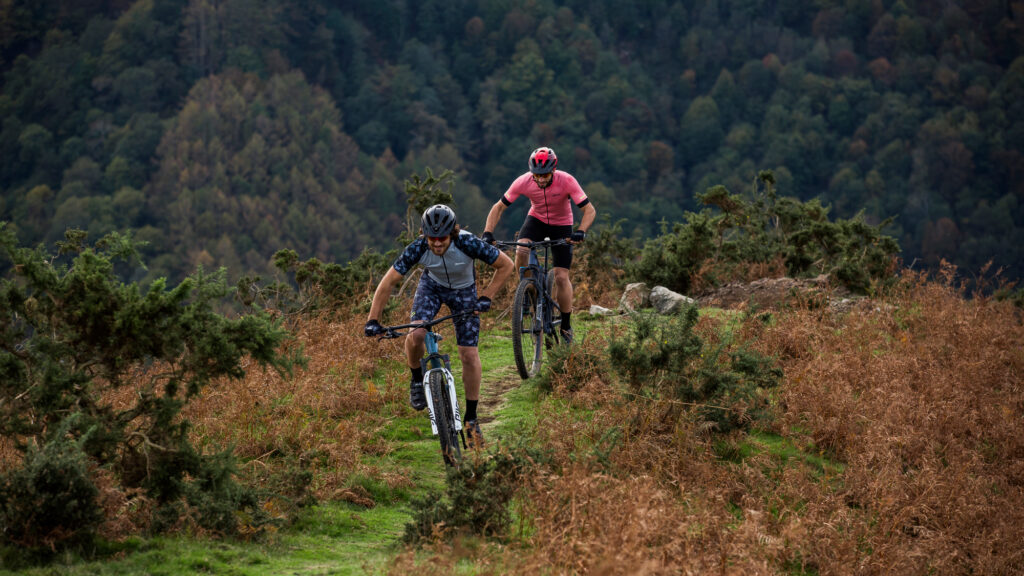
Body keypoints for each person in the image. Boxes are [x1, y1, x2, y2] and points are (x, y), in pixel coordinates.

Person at [364, 204, 514, 448]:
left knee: (468, 354)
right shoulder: (418, 248)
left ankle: (472, 418)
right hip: (431, 288)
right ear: (425, 235)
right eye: (432, 238)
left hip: (464, 291)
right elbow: (388, 281)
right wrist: (372, 320)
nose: (436, 244)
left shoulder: (468, 243)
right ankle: (416, 380)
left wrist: (487, 296)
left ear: (452, 233)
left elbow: (506, 265)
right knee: (416, 334)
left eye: (442, 238)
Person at [480, 146, 596, 344]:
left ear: (553, 171)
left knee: (561, 276)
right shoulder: (523, 181)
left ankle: (566, 325)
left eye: (545, 175)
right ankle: (525, 290)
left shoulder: (566, 180)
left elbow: (589, 210)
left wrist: (581, 231)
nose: (541, 179)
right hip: (537, 220)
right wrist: (487, 232)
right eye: (537, 175)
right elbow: (498, 207)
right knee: (522, 247)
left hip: (562, 224)